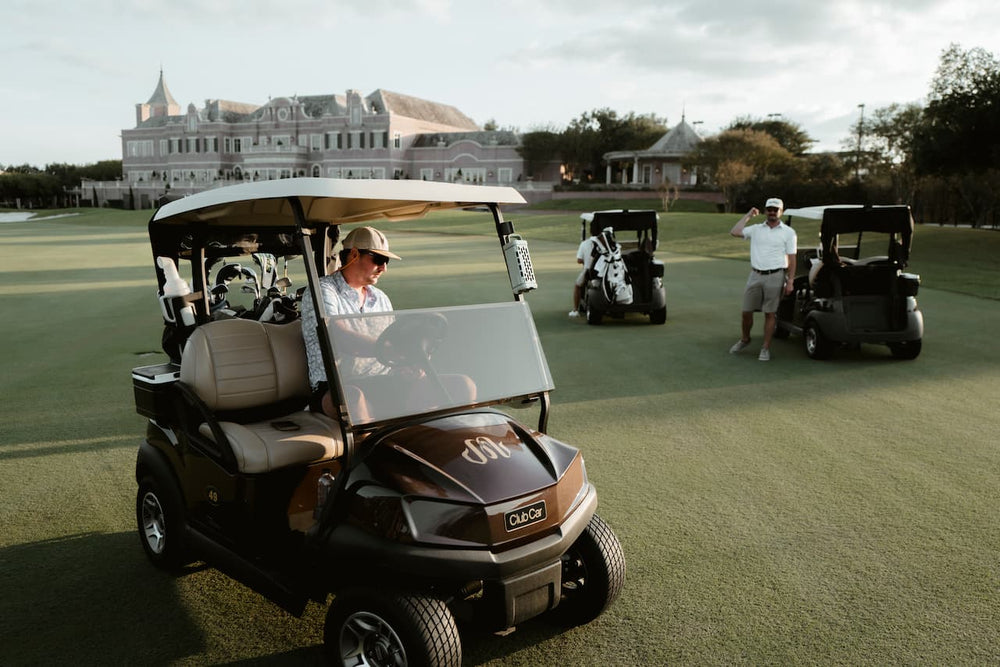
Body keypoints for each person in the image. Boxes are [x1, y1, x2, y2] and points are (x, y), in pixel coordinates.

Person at [300, 226, 400, 417]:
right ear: (354, 254)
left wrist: (408, 360)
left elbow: (394, 338)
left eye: (386, 261)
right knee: (353, 399)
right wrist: (390, 349)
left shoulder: (381, 298)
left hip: (382, 380)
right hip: (336, 385)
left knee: (461, 385)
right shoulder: (323, 290)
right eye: (378, 259)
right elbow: (339, 338)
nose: (384, 268)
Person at [728, 197, 797, 361]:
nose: (772, 212)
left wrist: (791, 281)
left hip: (776, 275)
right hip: (755, 275)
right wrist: (748, 215)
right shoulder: (757, 229)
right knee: (746, 312)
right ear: (766, 211)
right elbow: (735, 231)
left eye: (775, 210)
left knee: (770, 313)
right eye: (769, 209)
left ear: (780, 212)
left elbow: (792, 258)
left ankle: (765, 348)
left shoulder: (788, 232)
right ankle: (745, 339)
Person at [569, 222, 600, 317]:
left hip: (589, 271)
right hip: (603, 271)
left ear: (590, 231)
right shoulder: (606, 243)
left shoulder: (585, 243)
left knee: (577, 286)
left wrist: (585, 261)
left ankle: (575, 310)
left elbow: (579, 260)